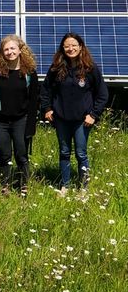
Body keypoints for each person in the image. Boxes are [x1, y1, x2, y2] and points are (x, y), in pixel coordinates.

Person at [40, 32, 108, 196]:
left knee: (80, 153)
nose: (70, 49)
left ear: (80, 47)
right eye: (67, 46)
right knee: (64, 152)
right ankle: (65, 185)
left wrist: (94, 114)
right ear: (63, 49)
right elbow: (45, 90)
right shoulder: (56, 68)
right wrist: (47, 109)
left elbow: (102, 94)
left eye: (73, 45)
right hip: (61, 118)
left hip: (82, 121)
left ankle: (84, 187)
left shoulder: (90, 68)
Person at [0, 35, 40, 197]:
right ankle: (5, 185)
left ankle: (23, 184)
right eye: (6, 49)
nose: (10, 52)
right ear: (2, 53)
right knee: (4, 154)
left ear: (20, 50)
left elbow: (34, 101)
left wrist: (31, 126)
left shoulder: (29, 73)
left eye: (13, 48)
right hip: (0, 120)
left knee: (21, 154)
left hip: (21, 120)